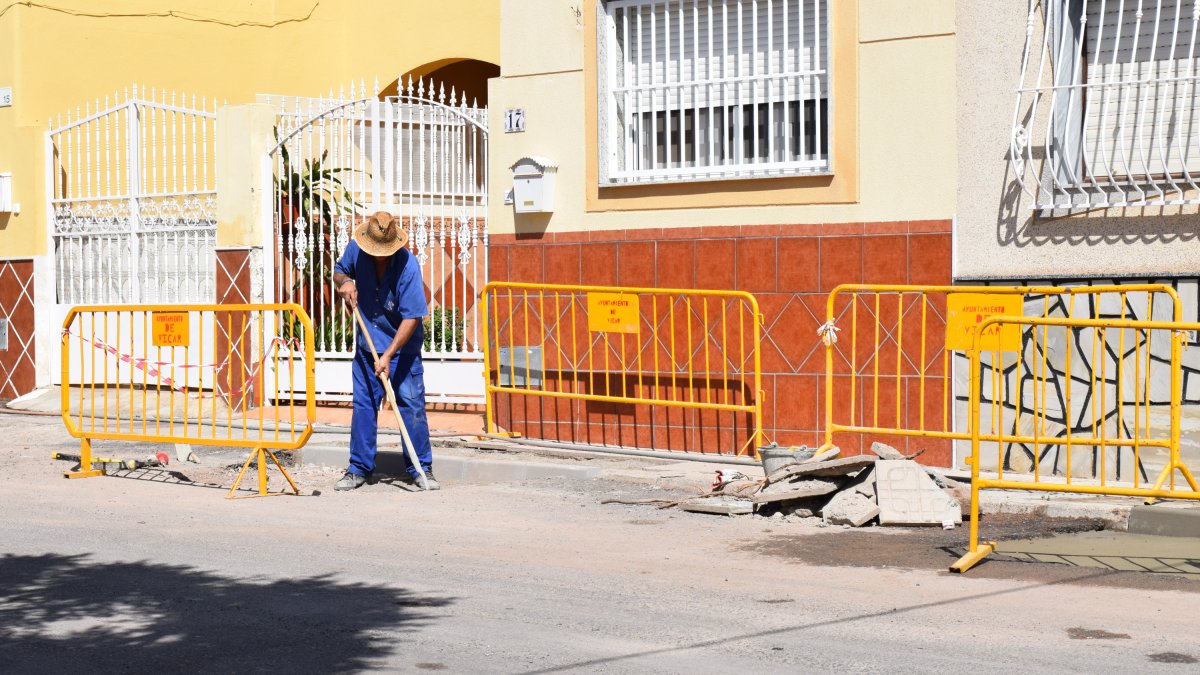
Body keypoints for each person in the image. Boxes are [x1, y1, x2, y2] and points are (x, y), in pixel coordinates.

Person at [331, 211, 438, 491]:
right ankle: (358, 469)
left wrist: (389, 354)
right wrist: (345, 282)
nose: (377, 255)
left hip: (402, 351)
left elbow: (413, 316)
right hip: (367, 349)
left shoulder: (407, 265)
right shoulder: (357, 248)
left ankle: (420, 468)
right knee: (363, 408)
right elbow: (338, 271)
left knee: (411, 407)